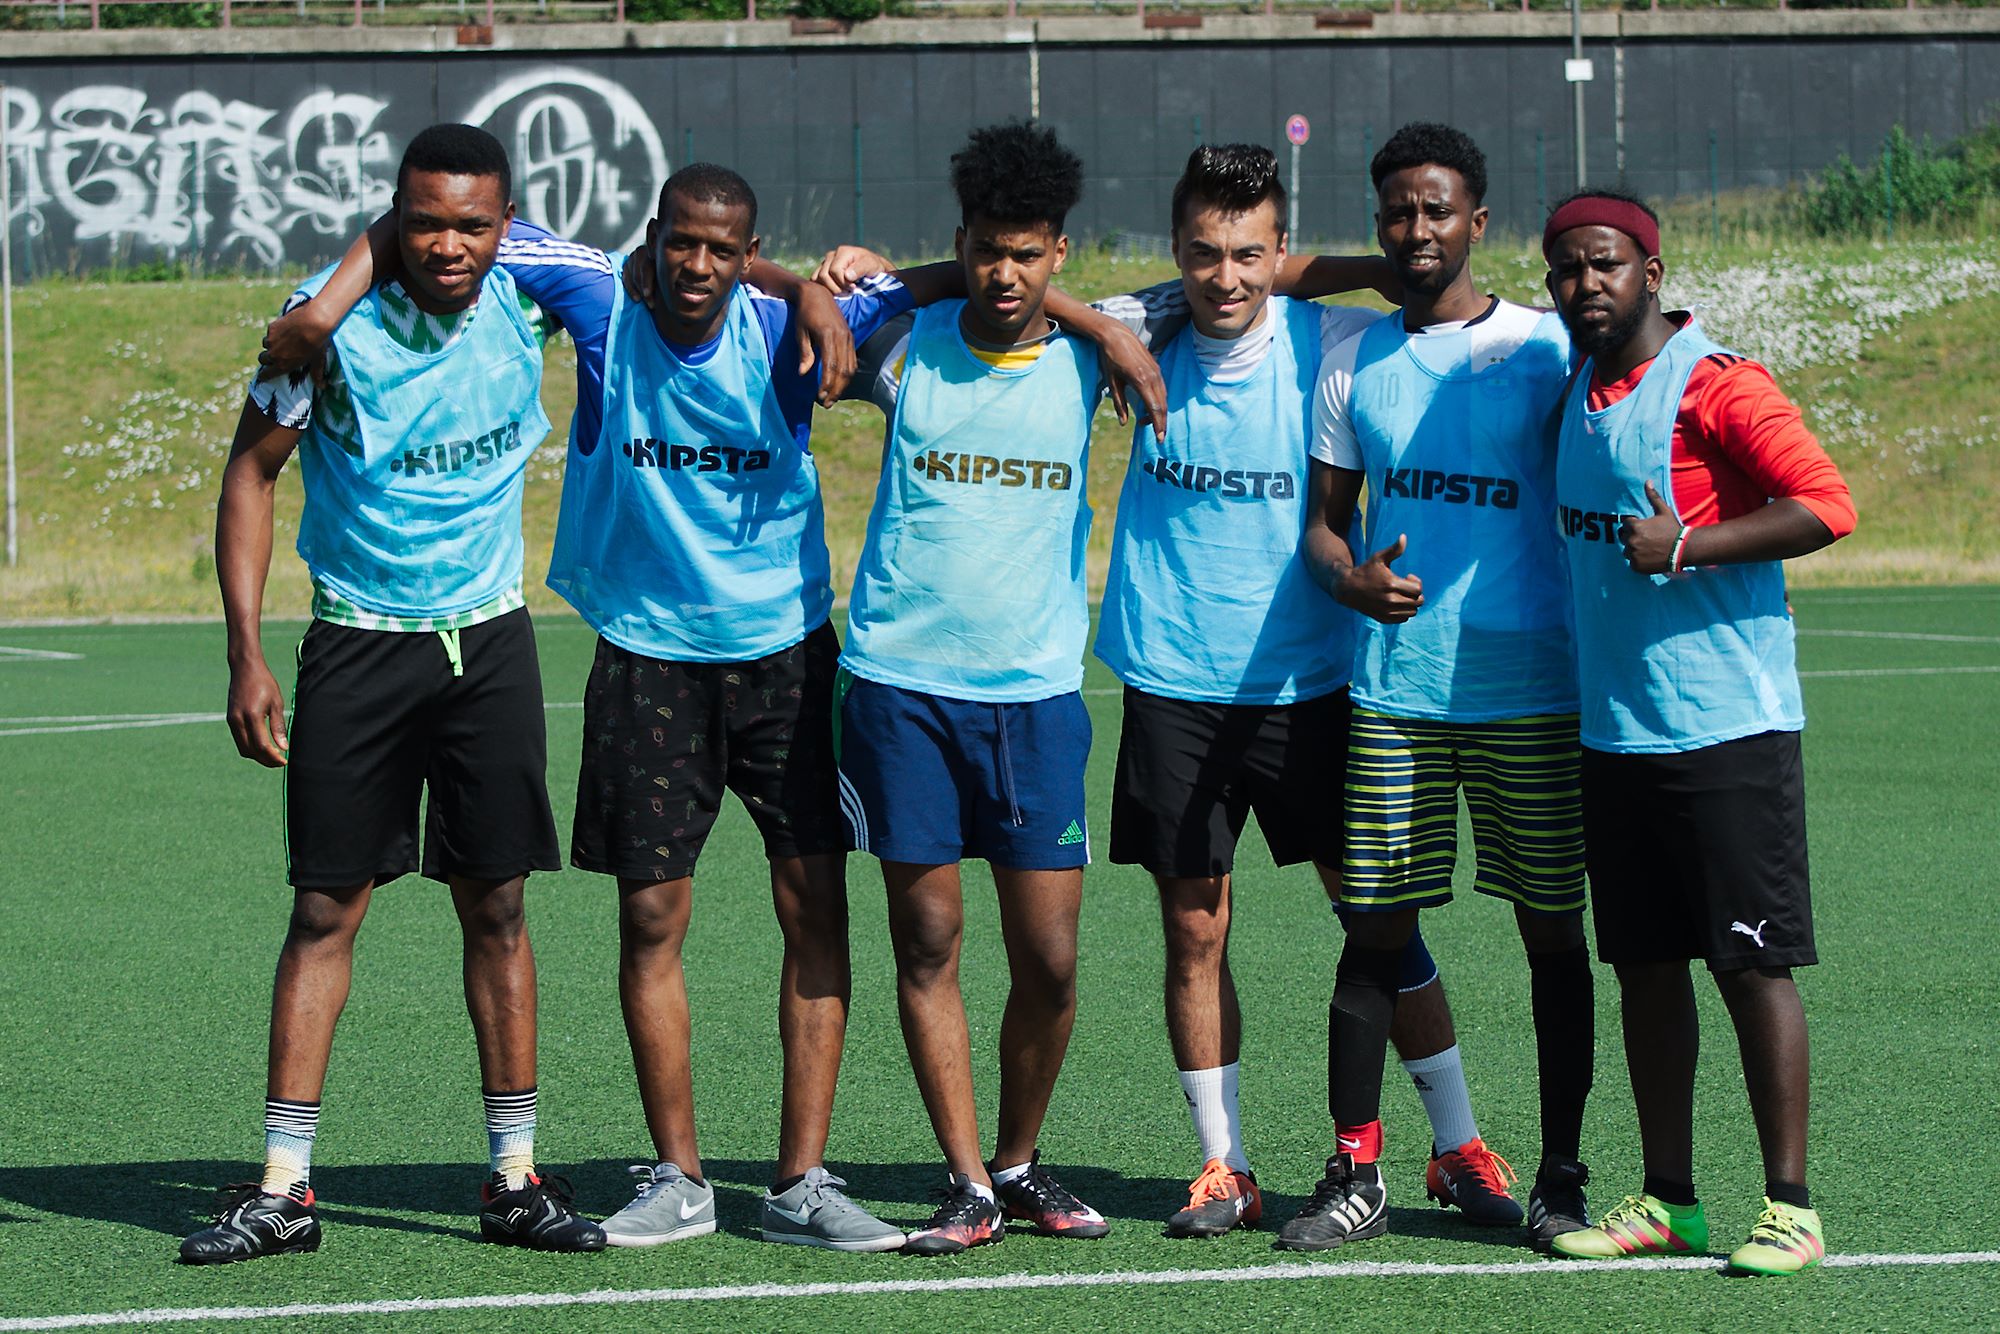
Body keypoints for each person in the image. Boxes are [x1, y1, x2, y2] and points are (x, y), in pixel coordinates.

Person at [268, 162, 914, 1252]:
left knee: (815, 910)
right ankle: (680, 1178)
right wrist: (325, 306)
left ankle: (800, 1182)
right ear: (650, 238)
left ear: (750, 254)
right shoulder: (601, 298)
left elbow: (942, 285)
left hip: (788, 661)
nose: (698, 266)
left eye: (725, 250)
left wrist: (813, 287)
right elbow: (437, 225)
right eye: (681, 243)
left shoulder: (785, 324)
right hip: (647, 658)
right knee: (650, 920)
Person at [181, 124, 602, 1264]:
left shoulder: (534, 291)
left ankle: (514, 1177)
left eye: (473, 224)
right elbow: (250, 473)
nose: (448, 245)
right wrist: (245, 652)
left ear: (507, 225)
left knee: (497, 907)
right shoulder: (320, 324)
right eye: (424, 223)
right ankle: (285, 1187)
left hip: (490, 645)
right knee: (326, 911)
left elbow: (684, 263)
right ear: (394, 219)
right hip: (358, 649)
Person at [1091, 144, 1521, 1239]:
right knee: (1194, 929)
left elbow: (1396, 287)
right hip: (1173, 684)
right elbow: (1017, 291)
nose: (1224, 276)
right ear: (1174, 250)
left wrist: (1331, 271)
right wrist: (1109, 320)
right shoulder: (1134, 333)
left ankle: (1456, 1144)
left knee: (1377, 921)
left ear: (1280, 252)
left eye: (1248, 255)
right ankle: (1223, 1165)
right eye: (1202, 253)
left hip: (1312, 683)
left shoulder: (1332, 342)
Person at [810, 121, 1169, 1256]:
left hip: (1034, 698)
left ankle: (1018, 1160)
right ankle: (966, 1181)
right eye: (983, 250)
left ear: (1059, 250)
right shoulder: (903, 342)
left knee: (1050, 962)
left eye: (1027, 254)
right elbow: (826, 295)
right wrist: (867, 268)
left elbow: (1248, 278)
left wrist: (1102, 325)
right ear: (959, 242)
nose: (1004, 275)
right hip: (900, 689)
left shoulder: (1091, 351)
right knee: (929, 942)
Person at [1541, 189, 1853, 1276]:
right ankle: (1669, 1199)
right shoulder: (1576, 385)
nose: (1587, 283)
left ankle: (1791, 1205)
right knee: (1644, 967)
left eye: (1606, 264)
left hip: (1726, 730)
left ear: (1652, 274)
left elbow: (1826, 502)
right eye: (1568, 269)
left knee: (1752, 968)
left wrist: (1688, 545)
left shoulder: (1716, 382)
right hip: (1616, 735)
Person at [1297, 121, 1596, 1252]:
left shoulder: (1543, 348)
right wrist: (1349, 580)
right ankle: (1355, 1171)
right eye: (1397, 211)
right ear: (1378, 223)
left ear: (1477, 219)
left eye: (1436, 209)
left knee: (1551, 938)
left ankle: (1559, 1177)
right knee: (1373, 933)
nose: (1415, 228)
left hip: (1531, 691)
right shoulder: (1353, 358)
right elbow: (1322, 529)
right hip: (1396, 694)